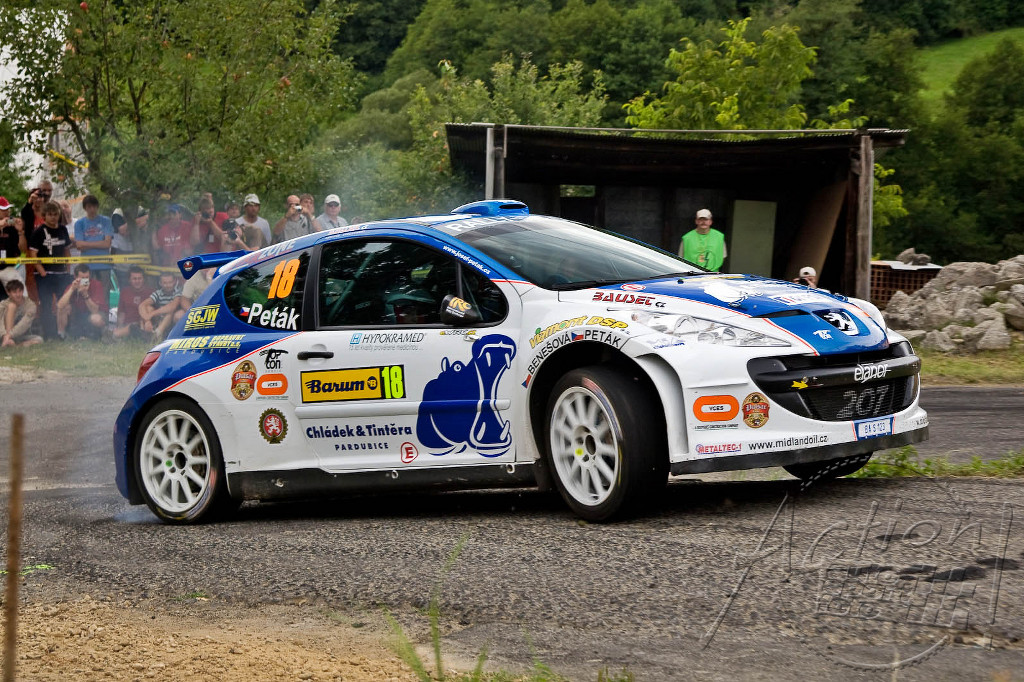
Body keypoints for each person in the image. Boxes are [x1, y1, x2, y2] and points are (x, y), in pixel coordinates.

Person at [28, 201, 72, 339]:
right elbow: (33, 254)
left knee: (63, 304)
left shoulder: (63, 229)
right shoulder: (38, 232)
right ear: (44, 215)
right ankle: (49, 334)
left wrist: (68, 269)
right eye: (50, 214)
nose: (53, 217)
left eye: (55, 214)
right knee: (46, 304)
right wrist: (42, 272)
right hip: (44, 275)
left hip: (61, 273)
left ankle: (63, 332)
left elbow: (67, 250)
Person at [73, 194, 115, 297]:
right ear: (85, 208)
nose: (92, 209)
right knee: (86, 292)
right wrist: (100, 243)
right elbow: (79, 245)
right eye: (89, 207)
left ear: (97, 207)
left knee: (104, 294)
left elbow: (107, 244)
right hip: (86, 267)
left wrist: (86, 244)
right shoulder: (79, 223)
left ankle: (104, 309)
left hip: (104, 265)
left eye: (94, 206)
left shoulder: (106, 221)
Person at [57, 263, 109, 340]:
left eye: (87, 277)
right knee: (64, 308)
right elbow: (59, 305)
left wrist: (85, 294)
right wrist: (72, 289)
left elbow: (95, 310)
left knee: (95, 318)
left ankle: (102, 333)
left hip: (95, 313)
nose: (85, 281)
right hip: (78, 314)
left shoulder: (96, 284)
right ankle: (61, 335)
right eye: (82, 278)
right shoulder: (72, 285)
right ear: (75, 277)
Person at [112, 266, 153, 340]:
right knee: (129, 328)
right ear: (129, 280)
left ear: (143, 279)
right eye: (134, 279)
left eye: (139, 278)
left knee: (132, 327)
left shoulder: (151, 292)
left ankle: (114, 336)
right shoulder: (125, 292)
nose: (137, 281)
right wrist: (119, 326)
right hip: (127, 325)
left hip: (142, 325)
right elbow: (121, 313)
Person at [139, 272, 182, 340]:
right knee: (149, 308)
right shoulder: (158, 293)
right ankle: (147, 332)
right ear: (160, 283)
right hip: (160, 319)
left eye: (170, 282)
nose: (168, 285)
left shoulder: (178, 292)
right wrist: (147, 320)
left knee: (170, 312)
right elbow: (142, 305)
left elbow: (172, 306)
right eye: (165, 283)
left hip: (172, 321)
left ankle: (157, 334)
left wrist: (151, 314)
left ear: (174, 282)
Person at [0, 279, 42, 347]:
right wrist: (4, 335)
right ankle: (8, 341)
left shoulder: (30, 305)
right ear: (8, 293)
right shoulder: (3, 304)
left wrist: (10, 335)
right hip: (3, 335)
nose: (18, 295)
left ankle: (15, 345)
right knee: (12, 306)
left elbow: (25, 323)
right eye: (14, 292)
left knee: (39, 340)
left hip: (19, 335)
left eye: (20, 291)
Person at [0, 196, 28, 296]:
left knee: (21, 295)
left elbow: (23, 250)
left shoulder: (12, 227)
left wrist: (20, 232)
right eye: (3, 209)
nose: (7, 212)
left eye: (8, 209)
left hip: (9, 268)